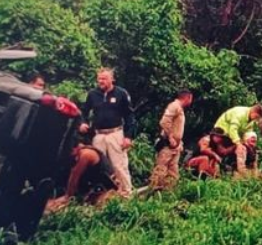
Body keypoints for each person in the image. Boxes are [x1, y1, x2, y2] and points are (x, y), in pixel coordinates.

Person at [79, 68, 136, 198]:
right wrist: (83, 123)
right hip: (98, 135)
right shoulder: (93, 94)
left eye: (104, 78)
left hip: (115, 133)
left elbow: (129, 116)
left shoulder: (121, 93)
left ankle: (126, 195)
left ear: (112, 79)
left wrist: (128, 136)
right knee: (97, 167)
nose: (101, 81)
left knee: (119, 165)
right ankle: (100, 196)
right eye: (99, 78)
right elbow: (84, 111)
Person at [46, 146, 117, 212]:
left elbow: (74, 176)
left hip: (106, 190)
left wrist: (67, 197)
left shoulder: (86, 155)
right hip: (88, 189)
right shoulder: (75, 157)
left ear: (76, 148)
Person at [149, 89, 193, 190]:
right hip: (167, 144)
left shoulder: (180, 108)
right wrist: (170, 137)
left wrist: (178, 142)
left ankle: (168, 193)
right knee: (161, 170)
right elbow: (164, 122)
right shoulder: (174, 106)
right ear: (187, 98)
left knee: (173, 172)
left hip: (175, 146)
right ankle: (153, 193)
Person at [213, 104, 262, 175]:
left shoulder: (251, 121)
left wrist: (248, 144)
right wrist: (238, 143)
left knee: (244, 148)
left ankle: (238, 170)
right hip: (222, 133)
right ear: (253, 112)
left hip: (233, 135)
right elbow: (233, 129)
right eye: (256, 117)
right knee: (237, 149)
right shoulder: (240, 113)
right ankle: (237, 170)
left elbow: (248, 133)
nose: (256, 119)